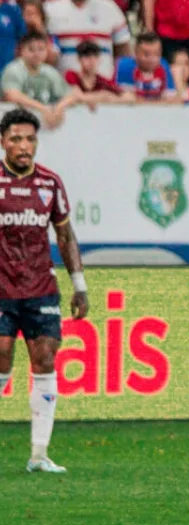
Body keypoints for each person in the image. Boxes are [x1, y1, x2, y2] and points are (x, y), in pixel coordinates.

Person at [0, 108, 89, 474]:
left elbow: (65, 235)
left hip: (40, 287)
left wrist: (79, 286)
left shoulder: (50, 183)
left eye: (30, 139)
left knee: (46, 360)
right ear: (3, 142)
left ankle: (39, 455)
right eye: (16, 139)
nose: (24, 146)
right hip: (2, 288)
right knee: (1, 357)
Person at [44, 0, 132, 78]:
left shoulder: (109, 7)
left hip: (103, 84)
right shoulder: (50, 9)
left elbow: (123, 48)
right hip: (64, 86)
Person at [1, 33, 77, 128]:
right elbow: (12, 95)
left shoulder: (50, 71)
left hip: (43, 125)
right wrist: (43, 109)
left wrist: (59, 108)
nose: (36, 54)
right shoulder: (13, 69)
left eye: (41, 49)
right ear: (22, 51)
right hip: (14, 124)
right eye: (31, 49)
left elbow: (72, 95)